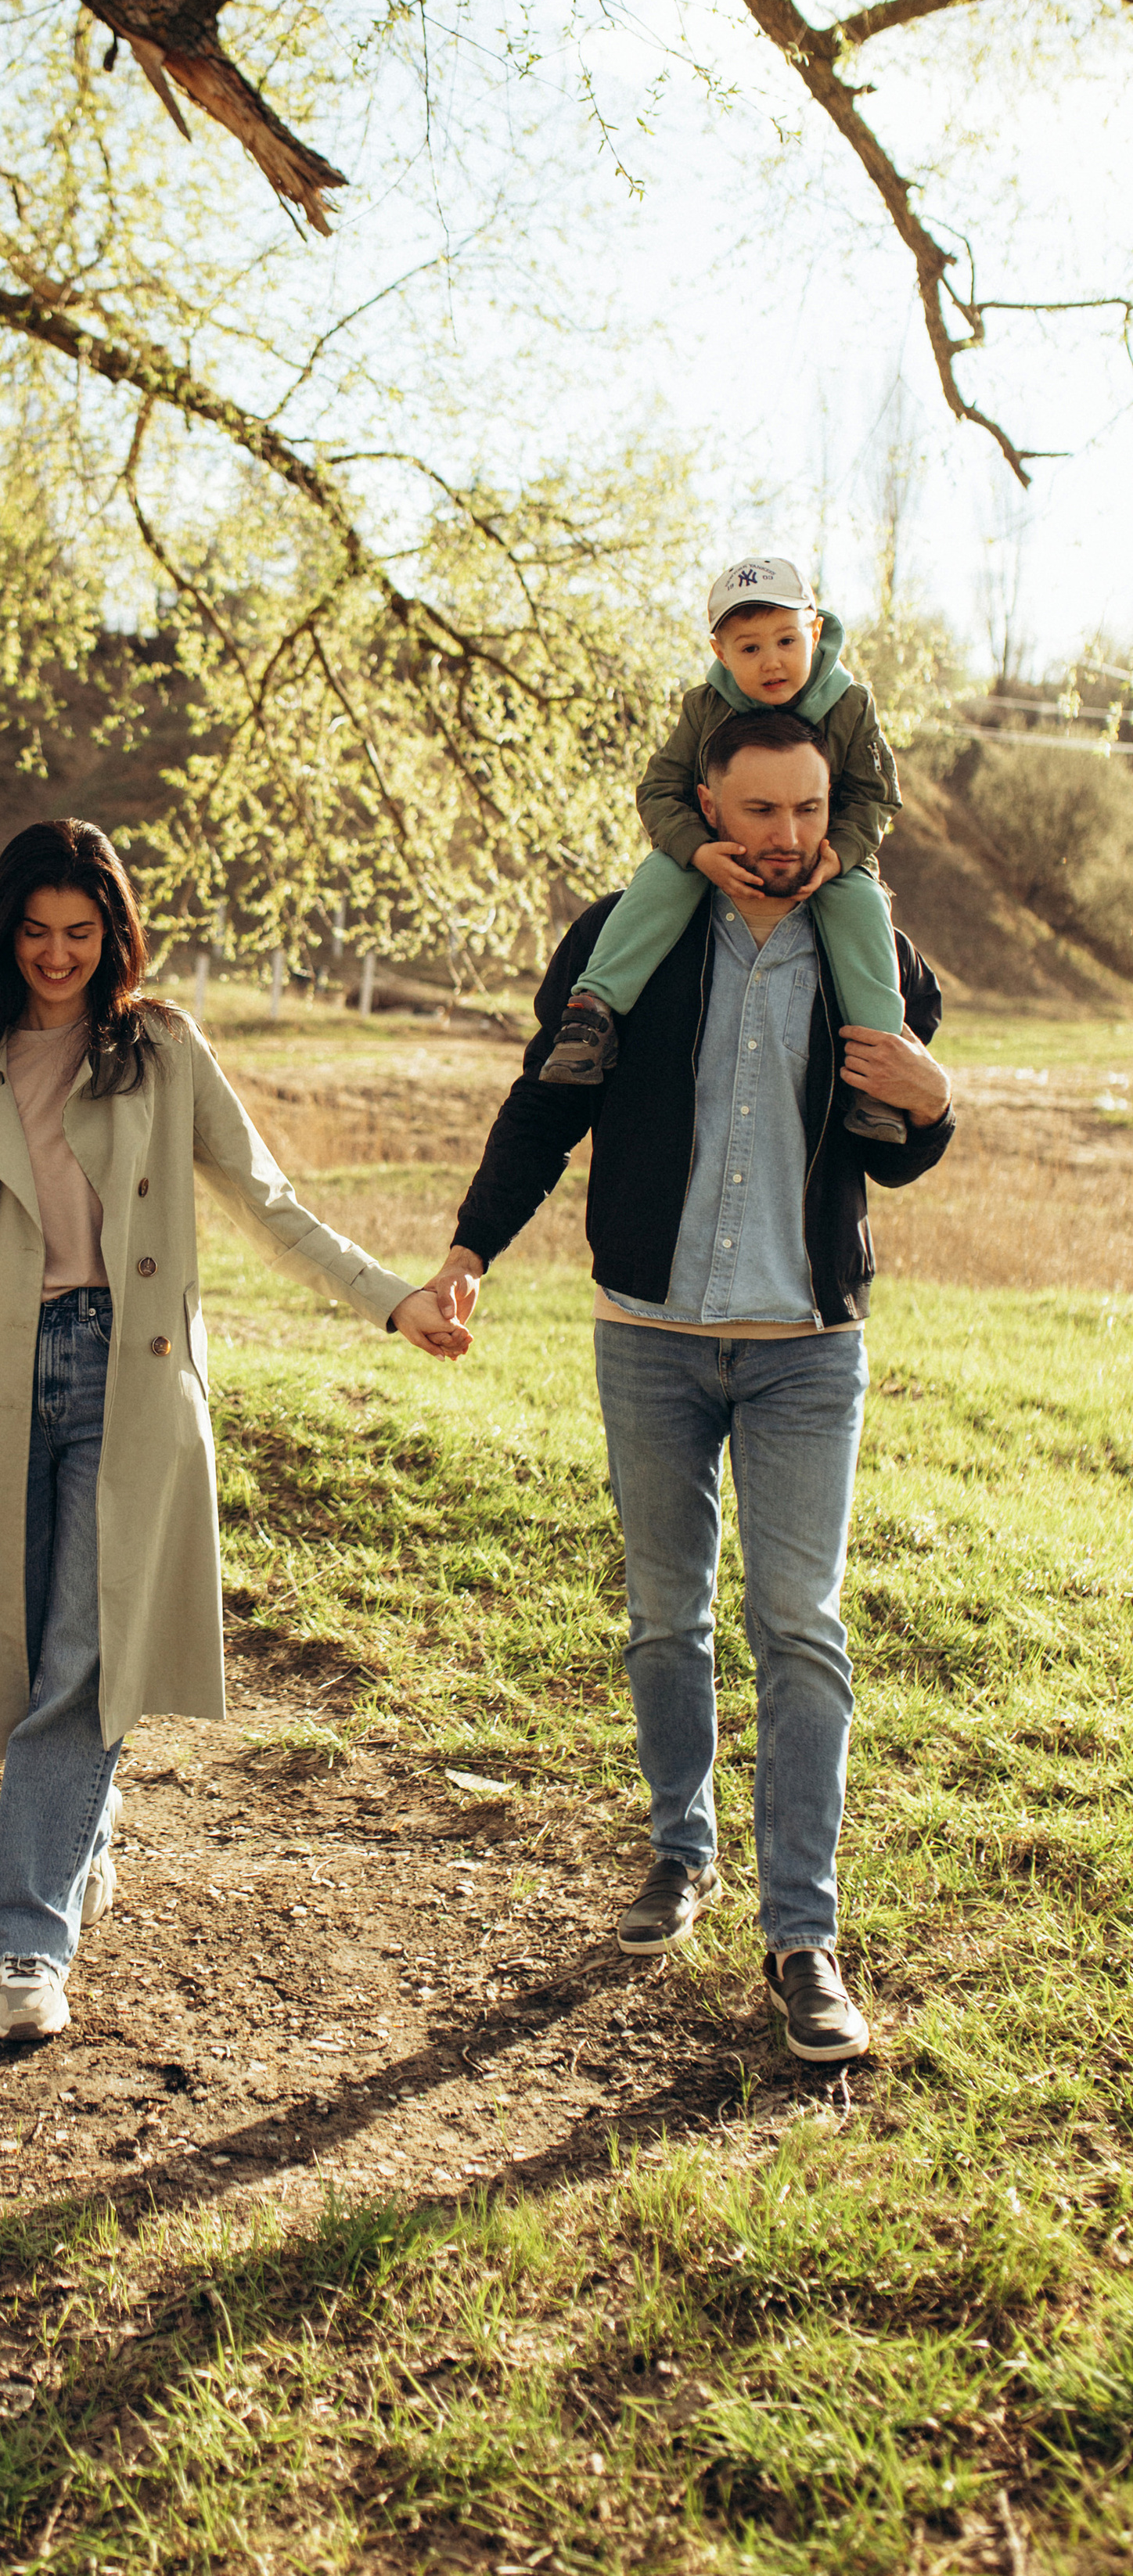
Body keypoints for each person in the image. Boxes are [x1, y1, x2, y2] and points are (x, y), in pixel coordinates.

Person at [0, 818, 470, 2044]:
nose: (56, 955)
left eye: (81, 934)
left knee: (89, 1655)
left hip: (125, 1378)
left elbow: (268, 1202)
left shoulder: (163, 1053)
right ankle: (80, 1828)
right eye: (34, 933)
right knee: (30, 1654)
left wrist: (393, 1303)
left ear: (116, 935)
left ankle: (27, 1945)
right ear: (0, 935)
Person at [422, 714, 954, 2064]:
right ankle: (679, 1850)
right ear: (702, 803)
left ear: (835, 813)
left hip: (805, 1347)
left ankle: (805, 1939)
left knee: (802, 1627)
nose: (783, 839)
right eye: (757, 809)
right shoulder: (631, 940)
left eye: (807, 812)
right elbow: (546, 1106)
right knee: (667, 1618)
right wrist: (472, 1246)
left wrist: (935, 1100)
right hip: (648, 1334)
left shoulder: (873, 957)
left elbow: (892, 1158)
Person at [541, 559, 909, 1142]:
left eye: (787, 641)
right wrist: (697, 850)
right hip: (719, 850)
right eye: (749, 647)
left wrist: (839, 854)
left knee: (862, 907)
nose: (771, 661)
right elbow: (660, 789)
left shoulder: (849, 705)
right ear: (720, 650)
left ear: (814, 633)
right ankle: (592, 1014)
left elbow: (876, 796)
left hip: (820, 858)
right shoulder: (705, 707)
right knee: (660, 881)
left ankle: (876, 1074)